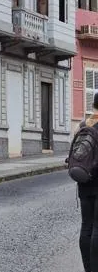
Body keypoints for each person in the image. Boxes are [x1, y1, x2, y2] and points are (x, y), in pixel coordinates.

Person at [76, 93, 98, 272]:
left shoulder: (82, 125)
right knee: (97, 228)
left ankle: (88, 268)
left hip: (84, 182)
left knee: (86, 226)